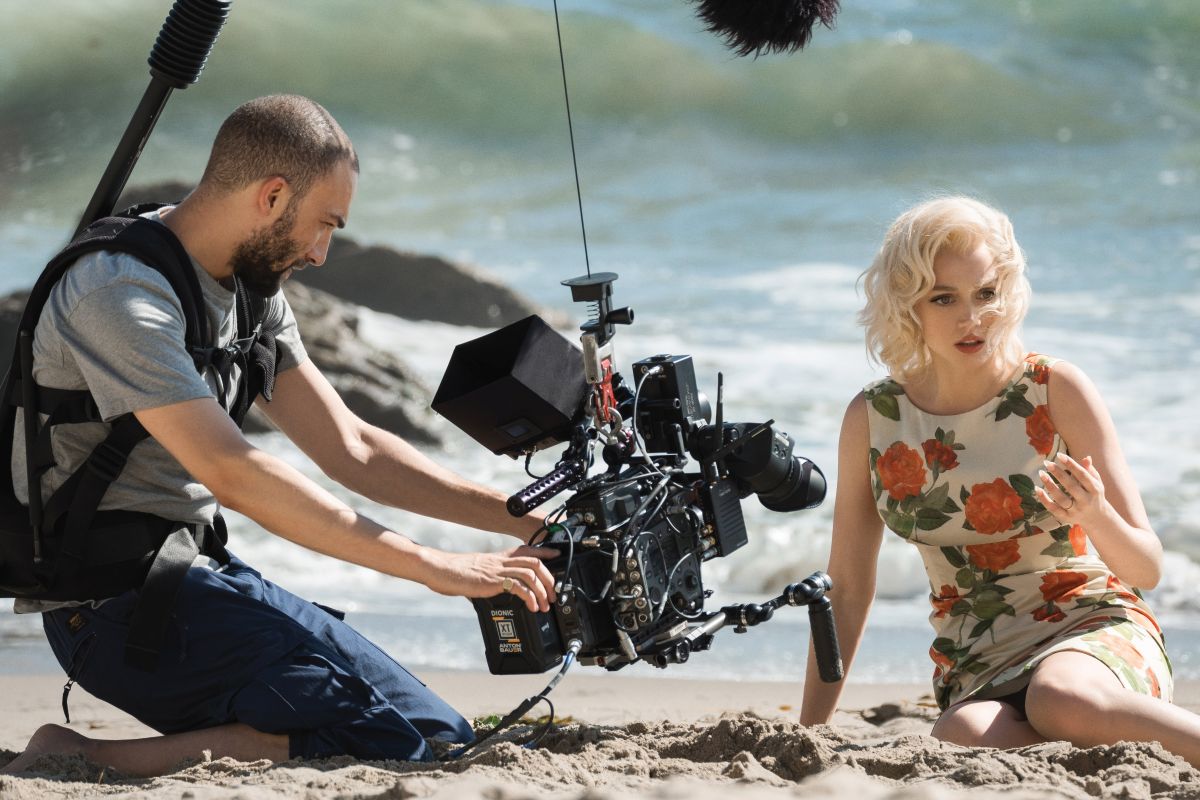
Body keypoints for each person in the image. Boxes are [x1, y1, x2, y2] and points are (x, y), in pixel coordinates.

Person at [2, 95, 556, 776]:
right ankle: (81, 753)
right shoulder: (118, 295)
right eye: (324, 224)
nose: (322, 253)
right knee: (378, 743)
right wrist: (436, 567)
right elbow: (234, 474)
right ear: (271, 196)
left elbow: (350, 446)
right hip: (111, 612)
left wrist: (519, 519)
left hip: (197, 573)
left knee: (442, 735)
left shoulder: (250, 291)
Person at [799, 196, 1200, 764]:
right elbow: (848, 588)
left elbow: (1147, 568)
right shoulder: (874, 419)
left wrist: (1095, 516)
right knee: (959, 736)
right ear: (906, 306)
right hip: (976, 654)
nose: (973, 318)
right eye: (944, 298)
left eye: (986, 293)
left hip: (1092, 628)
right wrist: (807, 733)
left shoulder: (1053, 388)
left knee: (1060, 699)